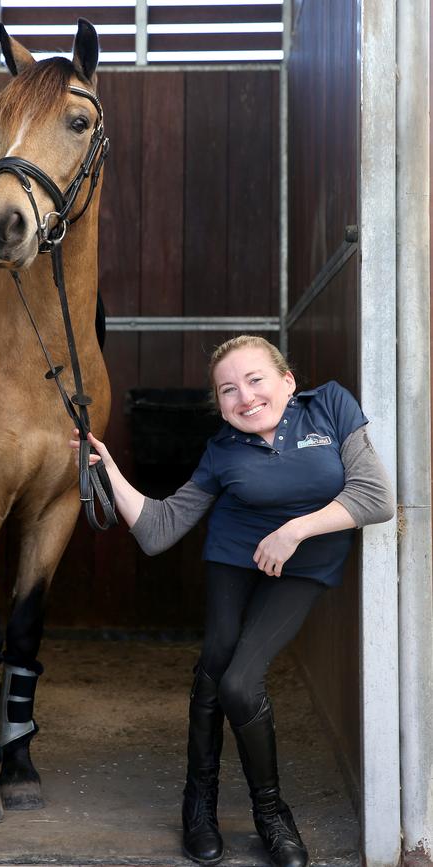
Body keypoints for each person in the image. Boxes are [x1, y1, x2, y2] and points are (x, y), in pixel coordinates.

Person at [70, 335, 394, 867]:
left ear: (287, 381)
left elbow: (375, 497)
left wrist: (295, 531)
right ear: (219, 403)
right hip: (235, 555)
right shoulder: (222, 448)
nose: (244, 398)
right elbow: (159, 529)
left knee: (241, 684)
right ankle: (200, 803)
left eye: (255, 380)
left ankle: (271, 812)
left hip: (303, 563)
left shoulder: (331, 405)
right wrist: (107, 470)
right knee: (216, 663)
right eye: (227, 390)